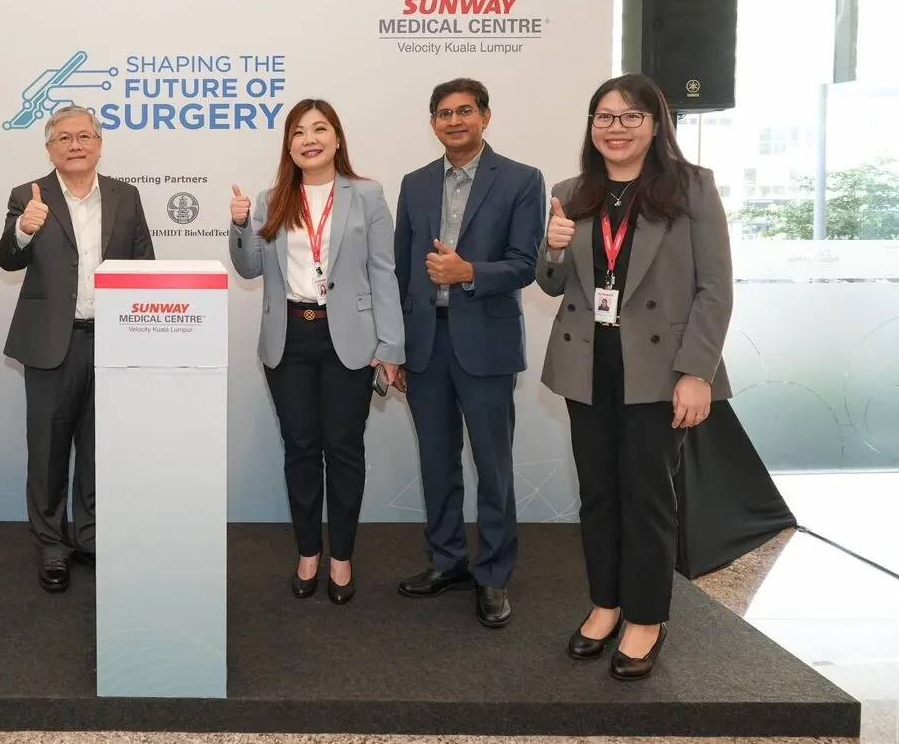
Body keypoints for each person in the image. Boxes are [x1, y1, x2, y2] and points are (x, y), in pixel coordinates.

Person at [539, 73, 732, 682]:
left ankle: (647, 617)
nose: (614, 128)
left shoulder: (691, 187)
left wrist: (696, 371)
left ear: (655, 123)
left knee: (646, 496)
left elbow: (714, 288)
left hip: (659, 368)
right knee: (597, 493)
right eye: (604, 116)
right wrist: (553, 246)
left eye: (629, 116)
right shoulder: (572, 191)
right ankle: (605, 604)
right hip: (588, 363)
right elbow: (550, 284)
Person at [229, 98, 404, 605]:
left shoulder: (367, 195)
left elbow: (383, 272)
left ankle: (342, 556)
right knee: (301, 446)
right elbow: (248, 269)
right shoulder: (270, 199)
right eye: (299, 132)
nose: (310, 138)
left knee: (344, 447)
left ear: (337, 138)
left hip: (349, 338)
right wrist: (241, 225)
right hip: (289, 335)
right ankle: (309, 551)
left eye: (319, 129)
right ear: (288, 145)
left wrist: (392, 345)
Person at [392, 78, 545, 629]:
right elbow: (400, 271)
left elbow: (528, 264)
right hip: (425, 343)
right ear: (432, 122)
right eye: (443, 113)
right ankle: (447, 560)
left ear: (485, 116)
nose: (453, 121)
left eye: (464, 111)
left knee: (493, 465)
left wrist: (469, 273)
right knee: (436, 461)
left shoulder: (523, 180)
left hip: (486, 344)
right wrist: (394, 346)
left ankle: (494, 573)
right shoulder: (414, 184)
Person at [0, 105, 156, 593]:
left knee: (97, 448)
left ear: (99, 144)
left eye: (84, 135)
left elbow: (145, 264)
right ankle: (50, 544)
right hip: (50, 344)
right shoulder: (29, 195)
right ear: (49, 149)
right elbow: (5, 257)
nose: (75, 144)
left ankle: (89, 537)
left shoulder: (126, 196)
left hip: (111, 341)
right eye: (63, 138)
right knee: (47, 450)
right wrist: (25, 228)